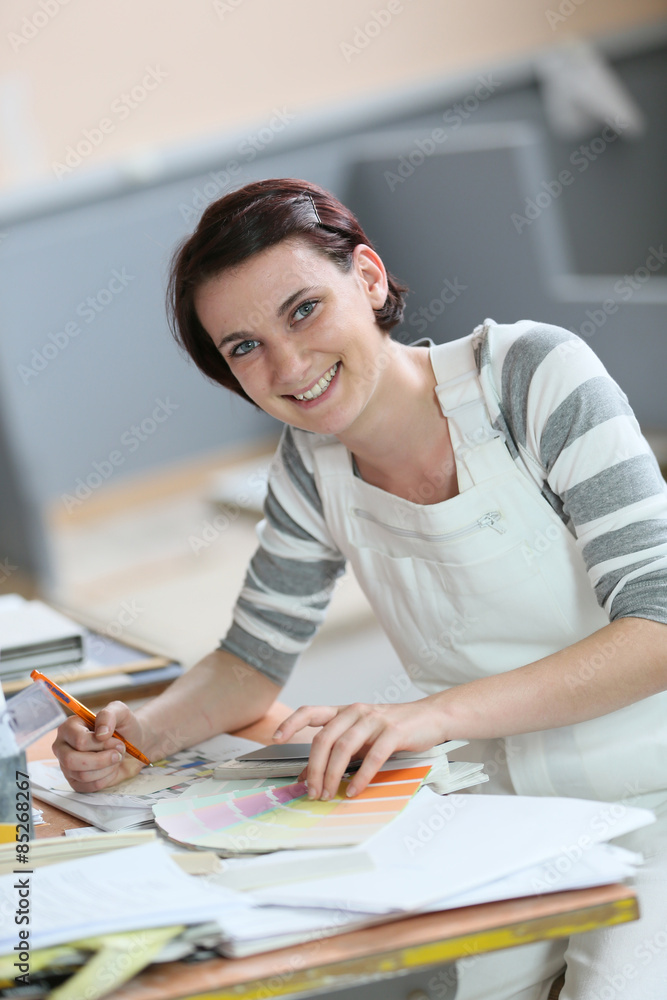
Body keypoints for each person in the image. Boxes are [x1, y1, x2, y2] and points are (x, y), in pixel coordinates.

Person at [53, 178, 667, 1000]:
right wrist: (137, 737)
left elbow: (657, 622)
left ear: (369, 278)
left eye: (302, 309)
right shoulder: (311, 465)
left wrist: (427, 715)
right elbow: (249, 661)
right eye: (243, 347)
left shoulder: (528, 374)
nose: (287, 364)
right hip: (501, 813)